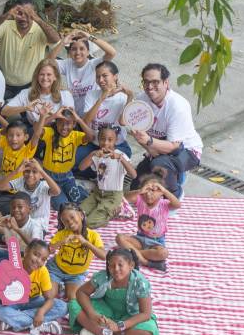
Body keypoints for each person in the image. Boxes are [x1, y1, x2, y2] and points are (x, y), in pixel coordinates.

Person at [129, 63, 203, 198]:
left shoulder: (178, 106)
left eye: (155, 82)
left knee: (159, 165)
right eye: (146, 82)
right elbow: (138, 133)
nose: (150, 87)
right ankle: (175, 172)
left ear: (166, 83)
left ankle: (176, 194)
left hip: (186, 149)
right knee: (136, 187)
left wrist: (150, 142)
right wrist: (149, 148)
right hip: (157, 146)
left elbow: (173, 146)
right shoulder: (141, 100)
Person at [69, 247, 159, 335]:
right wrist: (93, 315)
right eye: (111, 265)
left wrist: (119, 326)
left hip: (130, 316)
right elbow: (81, 292)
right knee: (74, 305)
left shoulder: (140, 282)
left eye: (120, 265)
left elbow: (146, 314)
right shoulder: (103, 276)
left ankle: (95, 330)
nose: (116, 269)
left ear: (131, 265)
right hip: (105, 311)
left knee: (148, 334)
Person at [0, 0, 61, 100]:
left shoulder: (40, 30)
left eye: (28, 14)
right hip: (4, 84)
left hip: (30, 86)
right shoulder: (7, 25)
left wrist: (38, 19)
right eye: (19, 13)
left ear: (34, 13)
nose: (23, 17)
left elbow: (55, 39)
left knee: (31, 116)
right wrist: (5, 16)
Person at [0, 240, 68, 335]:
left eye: (43, 259)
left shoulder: (43, 271)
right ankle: (40, 325)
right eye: (36, 254)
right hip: (13, 302)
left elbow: (49, 299)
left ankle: (14, 321)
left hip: (34, 300)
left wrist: (41, 312)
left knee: (62, 306)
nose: (38, 261)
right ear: (26, 252)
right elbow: (3, 294)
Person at [76, 60, 134, 178]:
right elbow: (86, 121)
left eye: (104, 76)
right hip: (94, 144)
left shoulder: (124, 97)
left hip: (117, 145)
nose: (100, 80)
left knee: (119, 162)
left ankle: (101, 175)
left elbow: (123, 121)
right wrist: (102, 98)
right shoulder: (92, 94)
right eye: (98, 77)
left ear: (115, 76)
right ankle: (98, 175)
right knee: (75, 161)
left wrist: (130, 97)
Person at [115, 173, 180, 271]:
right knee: (119, 238)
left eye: (154, 191)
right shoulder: (140, 200)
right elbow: (125, 197)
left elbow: (177, 205)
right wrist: (140, 191)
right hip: (140, 238)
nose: (149, 194)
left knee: (163, 253)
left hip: (156, 242)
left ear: (161, 193)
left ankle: (133, 253)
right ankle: (145, 261)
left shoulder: (164, 204)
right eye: (147, 190)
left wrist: (165, 191)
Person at [34, 106, 93, 210]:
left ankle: (78, 188)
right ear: (56, 124)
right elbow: (36, 130)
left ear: (74, 124)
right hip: (50, 177)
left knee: (77, 200)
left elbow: (91, 136)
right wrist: (54, 115)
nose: (64, 127)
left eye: (68, 123)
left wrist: (78, 119)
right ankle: (66, 191)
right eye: (61, 123)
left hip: (67, 176)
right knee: (62, 206)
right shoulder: (50, 133)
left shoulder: (75, 136)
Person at [78, 126, 138, 229]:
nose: (106, 143)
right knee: (77, 215)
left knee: (88, 223)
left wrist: (121, 159)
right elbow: (81, 167)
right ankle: (104, 212)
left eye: (110, 140)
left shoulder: (120, 155)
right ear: (98, 140)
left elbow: (134, 175)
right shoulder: (97, 155)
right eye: (102, 139)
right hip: (97, 193)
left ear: (116, 141)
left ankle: (115, 210)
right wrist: (92, 154)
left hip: (113, 196)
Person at [47, 30, 116, 115]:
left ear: (88, 52)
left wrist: (90, 37)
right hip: (74, 112)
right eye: (74, 49)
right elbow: (48, 62)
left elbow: (112, 53)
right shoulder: (67, 64)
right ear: (69, 53)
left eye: (82, 49)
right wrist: (63, 42)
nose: (78, 52)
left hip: (94, 111)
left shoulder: (94, 64)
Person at [47, 203, 105, 300]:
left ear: (81, 216)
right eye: (65, 221)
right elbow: (49, 250)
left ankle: (63, 287)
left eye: (72, 217)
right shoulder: (62, 234)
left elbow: (103, 256)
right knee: (49, 297)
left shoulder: (93, 235)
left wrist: (86, 242)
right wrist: (62, 241)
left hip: (76, 275)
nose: (70, 222)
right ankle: (59, 286)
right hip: (56, 269)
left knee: (73, 299)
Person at [0, 158, 59, 225]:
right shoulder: (21, 181)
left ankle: (5, 233)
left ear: (41, 175)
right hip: (19, 221)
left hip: (35, 225)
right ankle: (6, 231)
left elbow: (57, 192)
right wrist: (16, 171)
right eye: (27, 171)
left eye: (35, 172)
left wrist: (42, 171)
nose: (30, 175)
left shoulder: (44, 185)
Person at [1, 58, 75, 124]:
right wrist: (25, 108)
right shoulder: (26, 93)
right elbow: (4, 111)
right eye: (42, 74)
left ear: (55, 77)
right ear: (37, 76)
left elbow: (68, 122)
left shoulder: (65, 95)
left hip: (57, 131)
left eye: (49, 74)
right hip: (33, 132)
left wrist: (51, 116)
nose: (45, 78)